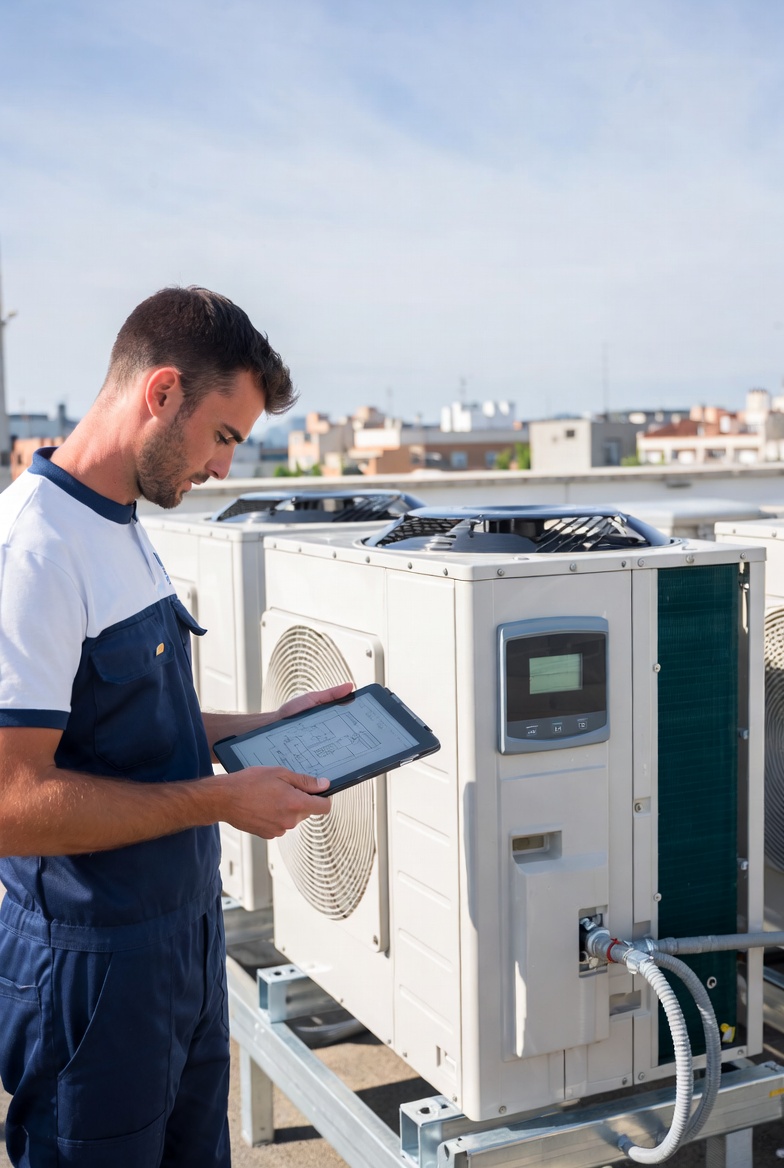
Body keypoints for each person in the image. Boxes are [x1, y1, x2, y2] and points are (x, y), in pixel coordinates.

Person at [0, 286, 350, 1168]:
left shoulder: (119, 524)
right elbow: (10, 801)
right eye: (224, 437)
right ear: (161, 395)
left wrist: (264, 725)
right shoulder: (33, 550)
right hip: (92, 971)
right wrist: (219, 802)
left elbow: (128, 720)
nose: (226, 469)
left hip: (182, 946)